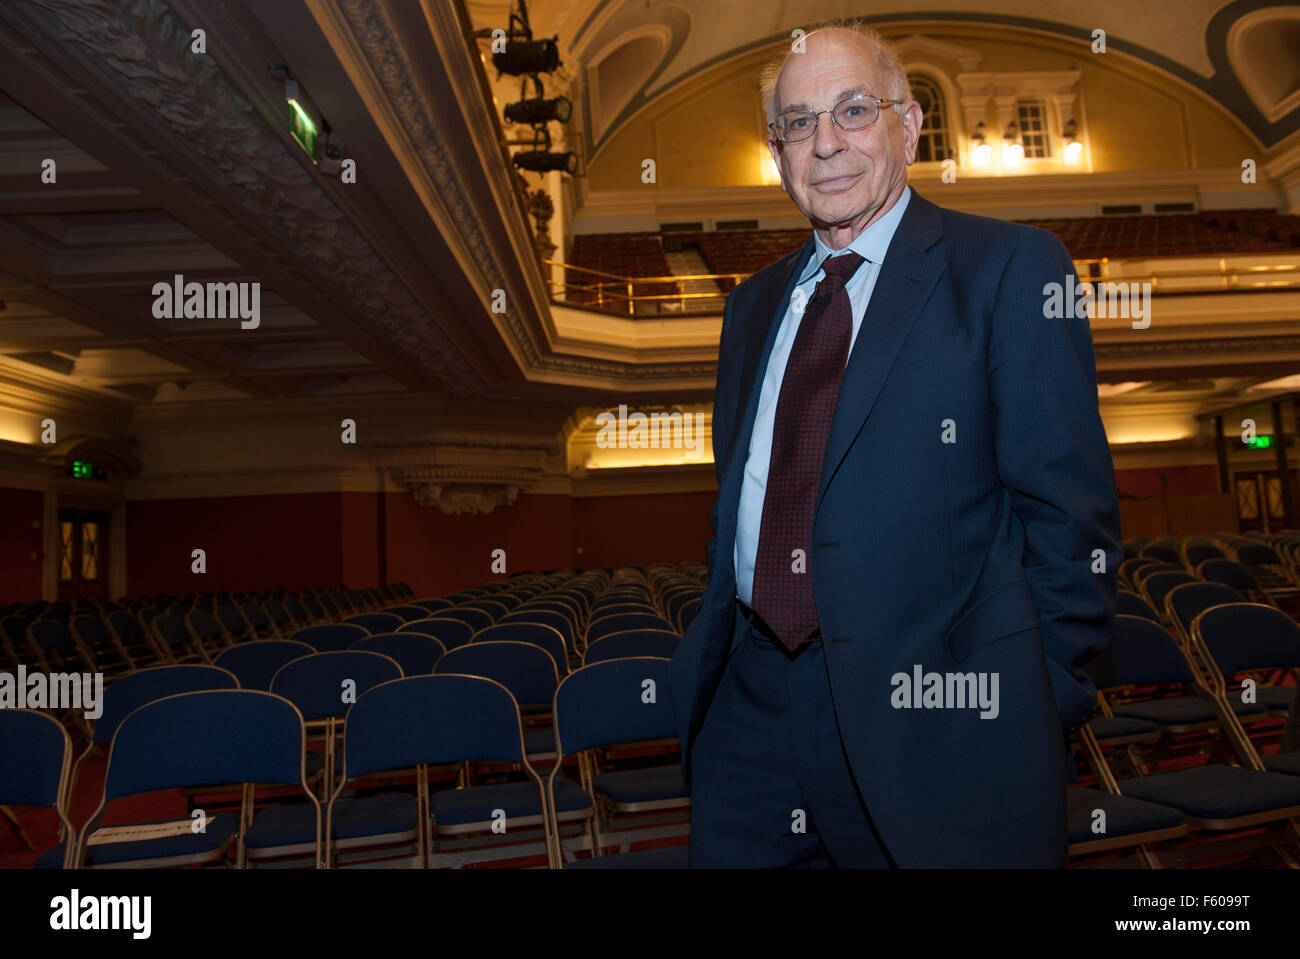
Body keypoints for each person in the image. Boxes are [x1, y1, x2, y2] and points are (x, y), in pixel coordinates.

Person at [668, 20, 1121, 868]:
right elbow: (743, 499)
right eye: (798, 123)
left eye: (852, 110)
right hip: (750, 718)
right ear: (777, 152)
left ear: (909, 127)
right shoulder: (750, 308)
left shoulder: (1010, 269)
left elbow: (1072, 522)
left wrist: (1029, 704)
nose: (826, 142)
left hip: (938, 728)